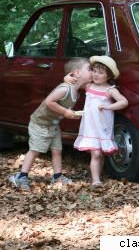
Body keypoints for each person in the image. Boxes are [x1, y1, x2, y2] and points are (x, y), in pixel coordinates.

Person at [9, 57, 92, 191]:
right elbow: (49, 101)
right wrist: (65, 112)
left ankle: (57, 176)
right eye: (89, 69)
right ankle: (21, 176)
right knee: (35, 150)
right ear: (77, 73)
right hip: (40, 123)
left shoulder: (76, 92)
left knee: (57, 151)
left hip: (53, 125)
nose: (92, 72)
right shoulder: (65, 89)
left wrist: (71, 113)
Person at [74, 55, 128, 188]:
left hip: (103, 127)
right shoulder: (89, 86)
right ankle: (96, 180)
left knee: (100, 153)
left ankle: (97, 175)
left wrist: (108, 107)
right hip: (90, 127)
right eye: (94, 71)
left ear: (108, 76)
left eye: (101, 72)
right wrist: (78, 76)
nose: (96, 75)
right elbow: (74, 83)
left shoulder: (110, 90)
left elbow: (124, 102)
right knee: (96, 153)